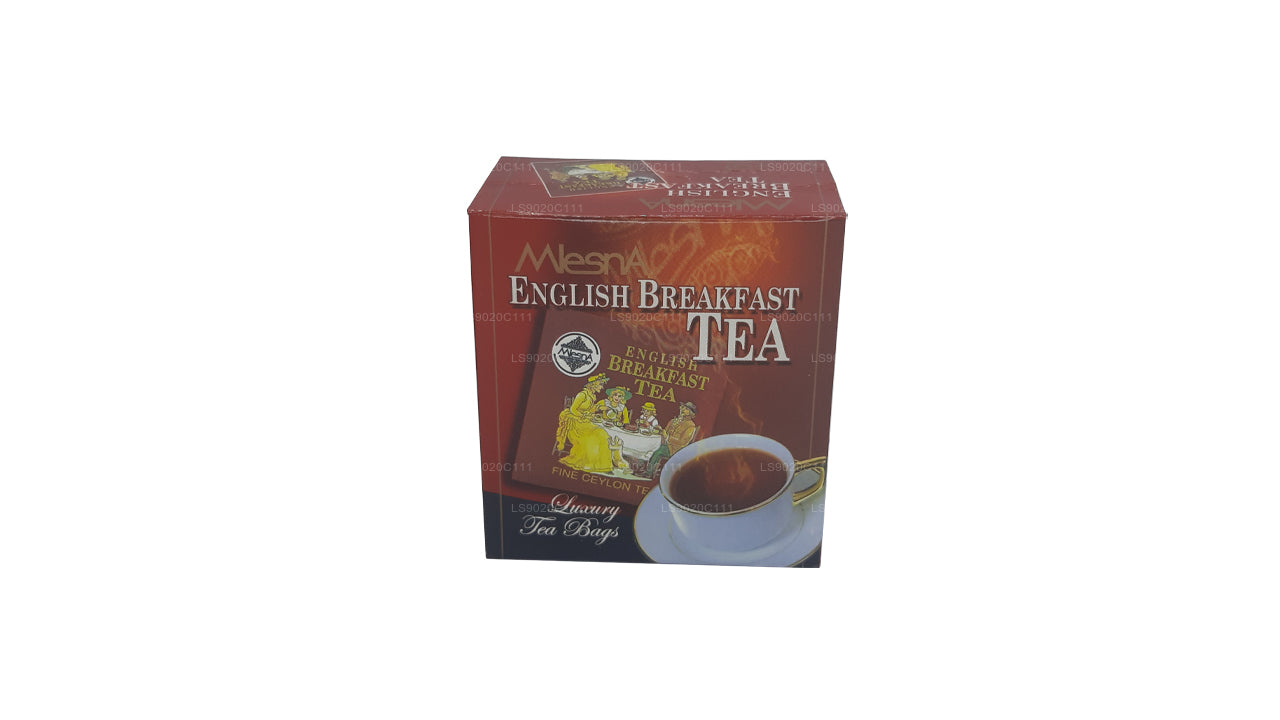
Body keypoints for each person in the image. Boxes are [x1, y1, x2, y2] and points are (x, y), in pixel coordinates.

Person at [556, 373, 625, 473]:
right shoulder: (582, 395)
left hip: (585, 423)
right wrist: (584, 416)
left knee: (603, 434)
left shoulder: (591, 395)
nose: (601, 387)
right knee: (592, 438)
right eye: (600, 384)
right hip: (576, 424)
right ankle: (590, 464)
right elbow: (573, 410)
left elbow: (589, 409)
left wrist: (599, 408)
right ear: (594, 384)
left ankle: (604, 465)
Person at [647, 401, 698, 476]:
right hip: (666, 445)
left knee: (658, 451)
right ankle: (642, 467)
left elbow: (682, 442)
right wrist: (660, 430)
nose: (683, 410)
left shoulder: (690, 426)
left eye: (686, 409)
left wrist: (667, 437)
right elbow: (665, 432)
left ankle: (649, 473)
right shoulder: (673, 421)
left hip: (675, 450)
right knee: (650, 446)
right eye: (683, 407)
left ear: (691, 413)